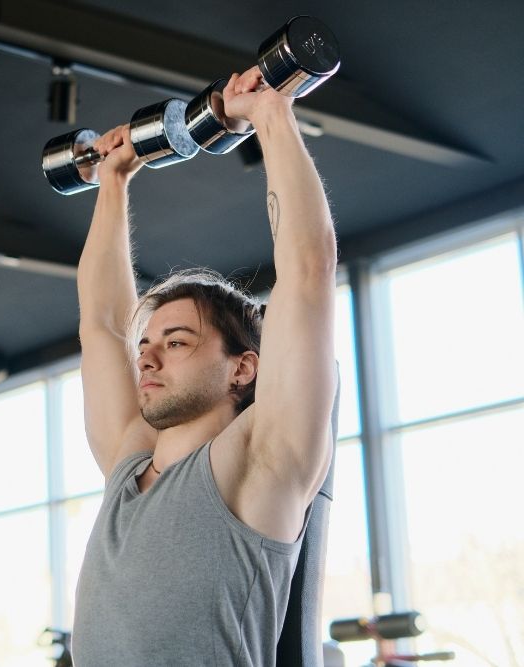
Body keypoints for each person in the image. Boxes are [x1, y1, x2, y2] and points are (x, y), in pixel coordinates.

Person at [70, 66, 337, 665]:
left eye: (177, 342)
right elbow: (103, 324)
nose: (146, 355)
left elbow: (308, 273)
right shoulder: (127, 462)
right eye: (148, 343)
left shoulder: (260, 462)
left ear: (243, 369)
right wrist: (113, 179)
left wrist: (270, 113)